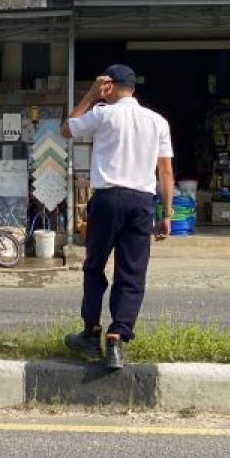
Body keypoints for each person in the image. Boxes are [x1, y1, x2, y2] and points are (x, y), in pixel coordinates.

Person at [61, 64, 174, 370]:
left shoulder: (102, 113)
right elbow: (165, 171)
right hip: (141, 203)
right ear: (134, 88)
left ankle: (91, 330)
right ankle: (116, 337)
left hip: (107, 199)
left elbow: (66, 129)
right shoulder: (157, 121)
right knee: (132, 272)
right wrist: (167, 213)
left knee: (95, 266)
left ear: (109, 86)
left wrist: (90, 94)